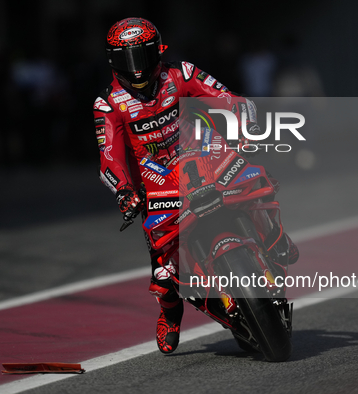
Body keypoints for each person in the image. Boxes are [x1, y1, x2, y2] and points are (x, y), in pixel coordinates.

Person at [93, 17, 298, 354]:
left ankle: (277, 238)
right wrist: (125, 191)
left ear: (158, 52)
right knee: (163, 271)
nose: (139, 69)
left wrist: (244, 126)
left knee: (258, 180)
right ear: (114, 62)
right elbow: (109, 158)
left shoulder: (181, 74)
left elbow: (229, 99)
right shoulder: (108, 103)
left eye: (143, 57)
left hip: (202, 152)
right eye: (129, 60)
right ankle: (170, 316)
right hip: (156, 178)